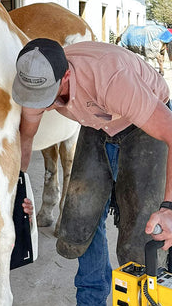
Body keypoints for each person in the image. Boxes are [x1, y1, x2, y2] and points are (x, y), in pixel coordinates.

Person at [12, 37, 172, 305]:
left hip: (143, 126)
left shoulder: (111, 81)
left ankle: (144, 298)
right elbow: (26, 139)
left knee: (142, 235)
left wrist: (168, 206)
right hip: (98, 123)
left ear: (65, 75)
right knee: (79, 221)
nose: (38, 104)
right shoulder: (35, 82)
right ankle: (90, 298)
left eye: (45, 96)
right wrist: (18, 192)